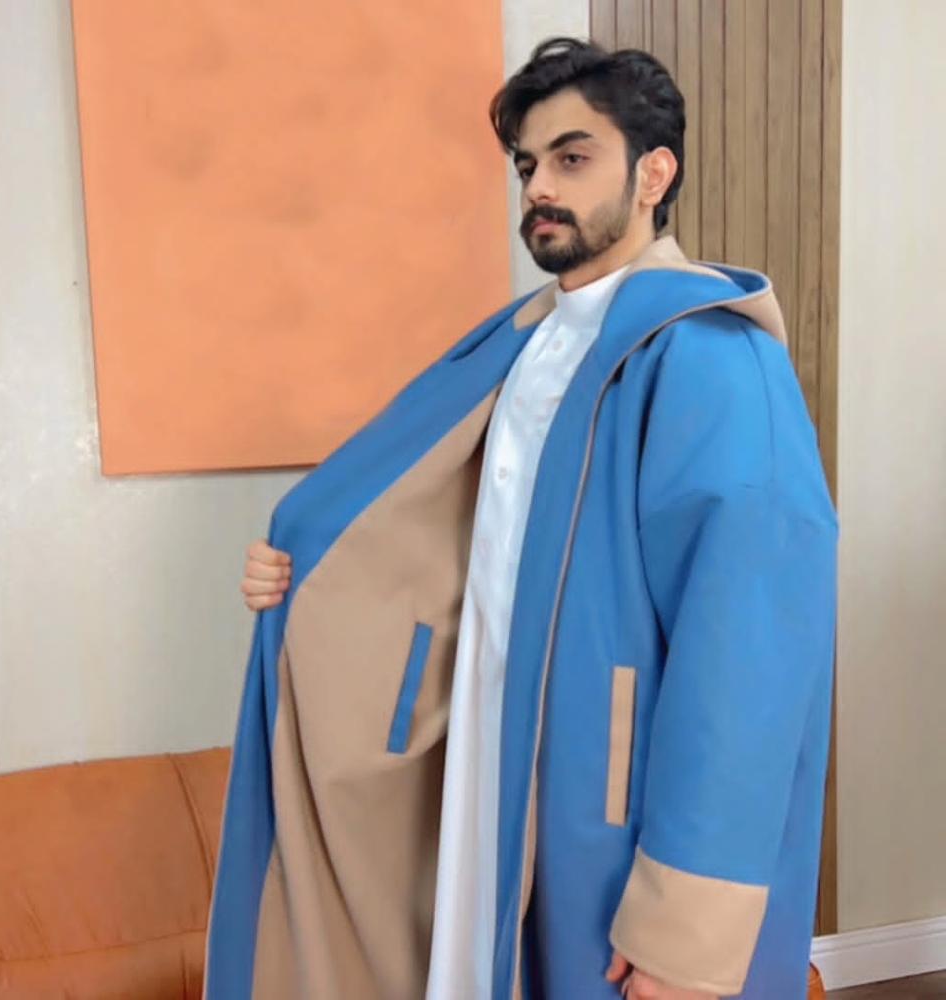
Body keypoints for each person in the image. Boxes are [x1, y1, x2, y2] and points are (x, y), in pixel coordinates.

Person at [210, 39, 837, 1000]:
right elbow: (457, 545)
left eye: (573, 158)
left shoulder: (707, 356)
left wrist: (687, 929)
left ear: (653, 174)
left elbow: (750, 650)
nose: (540, 186)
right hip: (492, 781)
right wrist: (304, 572)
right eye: (528, 164)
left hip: (603, 805)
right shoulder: (522, 346)